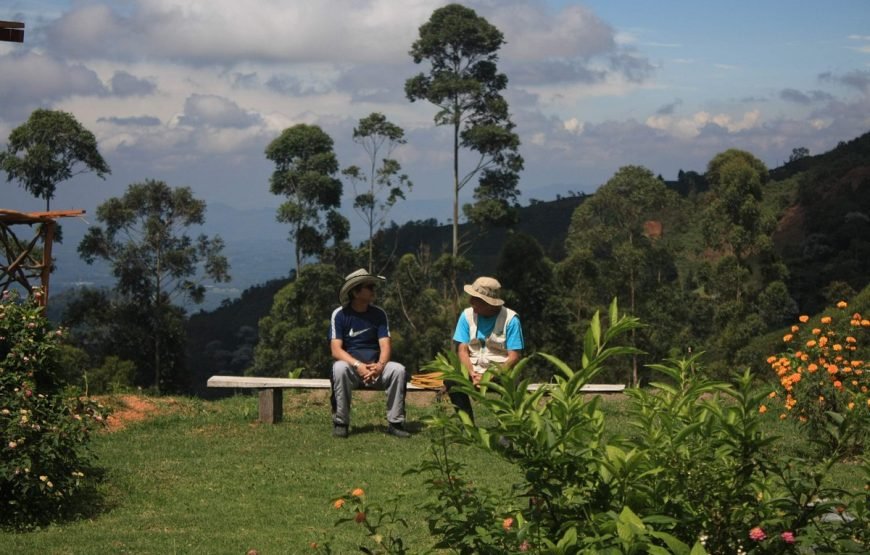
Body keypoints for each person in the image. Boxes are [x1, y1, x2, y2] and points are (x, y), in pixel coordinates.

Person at [329, 268, 409, 438]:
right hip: (352, 369)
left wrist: (379, 366)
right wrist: (358, 366)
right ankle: (341, 422)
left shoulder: (379, 314)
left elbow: (386, 345)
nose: (374, 290)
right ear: (356, 292)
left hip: (376, 368)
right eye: (370, 286)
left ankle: (396, 423)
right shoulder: (340, 315)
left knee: (398, 370)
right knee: (339, 368)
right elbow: (336, 350)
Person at [449, 276, 524, 420]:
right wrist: (471, 372)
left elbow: (514, 357)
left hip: (500, 371)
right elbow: (462, 350)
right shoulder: (466, 316)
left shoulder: (511, 320)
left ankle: (506, 432)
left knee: (512, 383)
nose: (471, 302)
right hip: (474, 370)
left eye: (475, 299)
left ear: (488, 303)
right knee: (452, 381)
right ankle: (467, 425)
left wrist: (489, 376)